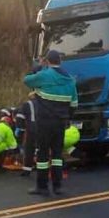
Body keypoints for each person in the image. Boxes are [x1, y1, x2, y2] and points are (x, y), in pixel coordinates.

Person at [24, 50, 78, 197]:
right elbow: (74, 104)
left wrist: (38, 67)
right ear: (60, 61)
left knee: (42, 154)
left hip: (45, 122)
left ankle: (42, 187)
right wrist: (67, 118)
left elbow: (27, 80)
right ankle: (58, 186)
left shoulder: (44, 75)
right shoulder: (70, 80)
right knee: (57, 155)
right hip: (60, 122)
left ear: (47, 61)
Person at [15, 93, 38, 177]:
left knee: (29, 149)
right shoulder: (45, 104)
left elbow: (20, 117)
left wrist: (21, 129)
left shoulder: (27, 104)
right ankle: (43, 170)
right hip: (43, 129)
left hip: (31, 129)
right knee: (42, 149)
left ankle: (27, 170)